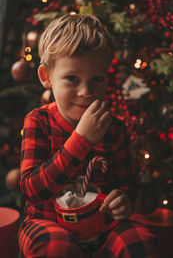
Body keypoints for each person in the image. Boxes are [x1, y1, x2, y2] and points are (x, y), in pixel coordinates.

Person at [18, 14, 158, 257]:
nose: (86, 92)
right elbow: (32, 190)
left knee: (139, 241)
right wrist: (81, 140)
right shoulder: (37, 121)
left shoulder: (114, 128)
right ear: (46, 77)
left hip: (101, 227)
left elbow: (128, 184)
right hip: (45, 223)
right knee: (56, 247)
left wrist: (123, 199)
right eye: (72, 79)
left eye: (97, 80)